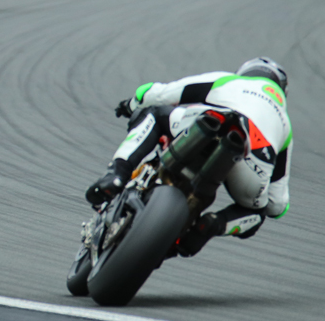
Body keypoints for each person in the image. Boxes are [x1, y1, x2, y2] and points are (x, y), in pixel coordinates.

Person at [85, 57, 292, 257]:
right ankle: (212, 225)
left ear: (245, 72)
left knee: (155, 112)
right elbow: (277, 206)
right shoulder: (285, 125)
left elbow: (159, 94)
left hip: (207, 123)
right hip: (252, 157)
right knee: (258, 213)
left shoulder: (229, 81)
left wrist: (131, 105)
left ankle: (117, 175)